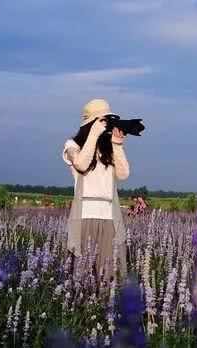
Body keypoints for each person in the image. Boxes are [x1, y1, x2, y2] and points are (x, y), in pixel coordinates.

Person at [62, 99, 129, 281]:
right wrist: (93, 134)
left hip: (108, 217)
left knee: (107, 274)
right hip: (84, 216)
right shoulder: (72, 146)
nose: (106, 125)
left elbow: (123, 175)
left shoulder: (108, 150)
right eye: (102, 120)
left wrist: (117, 145)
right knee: (81, 275)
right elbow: (81, 164)